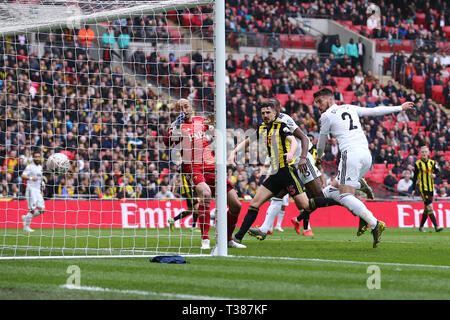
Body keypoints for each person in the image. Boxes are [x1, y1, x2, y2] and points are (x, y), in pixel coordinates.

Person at [314, 88, 415, 248]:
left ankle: (374, 223)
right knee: (331, 190)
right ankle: (360, 189)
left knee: (345, 196)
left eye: (319, 102)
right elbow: (375, 111)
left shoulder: (326, 116)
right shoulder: (349, 107)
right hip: (366, 156)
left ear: (329, 99)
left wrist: (318, 157)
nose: (318, 106)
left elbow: (321, 142)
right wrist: (399, 108)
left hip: (351, 155)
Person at [228, 101, 337, 246]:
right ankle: (237, 238)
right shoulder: (262, 127)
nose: (265, 115)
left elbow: (294, 141)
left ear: (275, 113)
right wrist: (234, 152)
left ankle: (340, 201)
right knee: (254, 204)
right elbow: (248, 140)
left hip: (287, 172)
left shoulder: (281, 126)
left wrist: (291, 153)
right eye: (263, 113)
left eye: (268, 113)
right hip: (275, 174)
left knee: (306, 205)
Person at [165, 99, 245, 250]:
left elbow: (215, 129)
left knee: (236, 204)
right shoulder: (176, 126)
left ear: (192, 107)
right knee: (206, 194)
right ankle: (205, 238)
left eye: (186, 106)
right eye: (179, 108)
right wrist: (175, 126)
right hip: (192, 167)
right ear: (176, 111)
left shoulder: (201, 121)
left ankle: (227, 239)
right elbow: (167, 143)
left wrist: (216, 122)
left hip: (211, 166)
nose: (183, 109)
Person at [411, 146, 443, 233]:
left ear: (428, 153)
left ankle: (421, 227)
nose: (424, 153)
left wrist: (435, 175)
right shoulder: (418, 164)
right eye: (422, 152)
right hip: (423, 188)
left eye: (425, 152)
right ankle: (436, 226)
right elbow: (414, 178)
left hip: (431, 188)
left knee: (426, 209)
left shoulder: (432, 163)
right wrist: (413, 189)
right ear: (420, 153)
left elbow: (439, 172)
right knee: (429, 206)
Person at [21, 151, 46, 232]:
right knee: (32, 209)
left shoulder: (40, 167)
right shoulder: (30, 167)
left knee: (42, 210)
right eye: (36, 156)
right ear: (33, 157)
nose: (37, 158)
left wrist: (42, 183)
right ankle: (26, 227)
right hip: (30, 190)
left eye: (39, 156)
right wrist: (31, 178)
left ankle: (26, 217)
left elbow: (40, 177)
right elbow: (23, 175)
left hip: (38, 190)